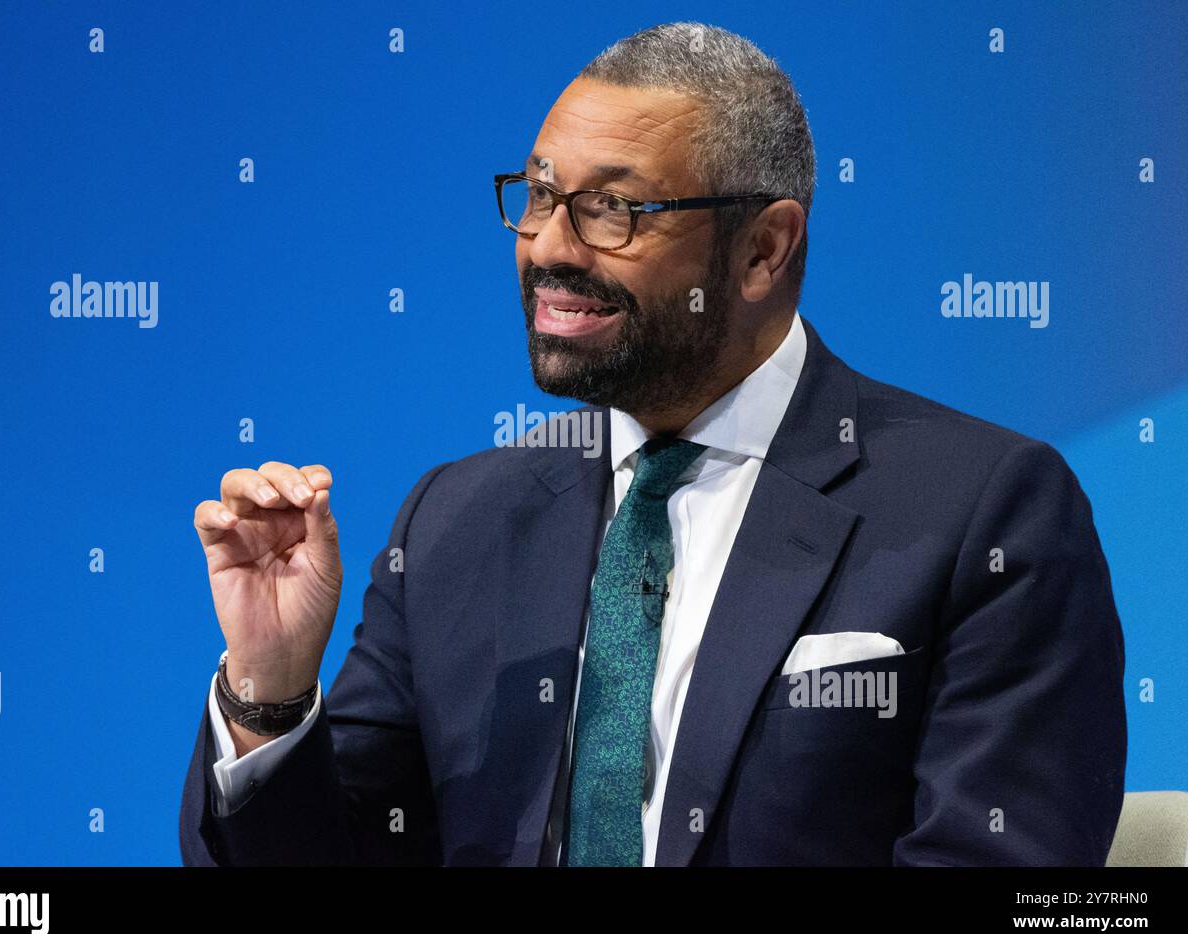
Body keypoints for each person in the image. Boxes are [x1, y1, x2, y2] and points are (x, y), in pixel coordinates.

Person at [179, 22, 1126, 866]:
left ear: (763, 251)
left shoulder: (982, 510)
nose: (550, 246)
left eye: (612, 211)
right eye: (541, 195)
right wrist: (270, 689)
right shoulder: (458, 519)